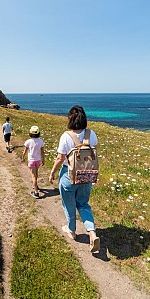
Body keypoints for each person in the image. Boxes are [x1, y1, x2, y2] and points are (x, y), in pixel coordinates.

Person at [49, 105, 100, 253]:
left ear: (70, 119)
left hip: (68, 176)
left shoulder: (66, 136)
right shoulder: (92, 134)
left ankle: (71, 230)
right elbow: (93, 151)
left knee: (69, 205)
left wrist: (52, 171)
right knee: (83, 204)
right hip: (87, 175)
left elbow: (60, 158)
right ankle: (92, 233)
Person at [22, 125, 45, 199]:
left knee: (33, 176)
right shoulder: (41, 141)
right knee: (36, 174)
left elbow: (24, 151)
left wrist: (23, 158)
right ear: (38, 133)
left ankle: (36, 192)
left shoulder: (28, 141)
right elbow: (42, 152)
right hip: (38, 160)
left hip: (31, 161)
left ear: (30, 133)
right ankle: (36, 185)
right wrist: (43, 160)